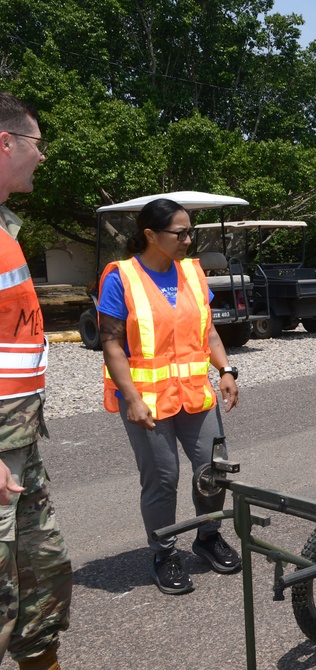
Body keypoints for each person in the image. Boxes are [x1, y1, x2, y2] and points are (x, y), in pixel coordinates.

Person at [98, 198, 242, 596]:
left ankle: (208, 537)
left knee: (214, 468)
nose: (189, 240)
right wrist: (130, 398)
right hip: (147, 400)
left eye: (190, 231)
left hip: (195, 393)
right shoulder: (120, 277)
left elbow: (208, 331)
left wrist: (225, 369)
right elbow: (111, 344)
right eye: (180, 233)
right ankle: (164, 552)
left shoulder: (193, 274)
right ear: (150, 235)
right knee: (163, 478)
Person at [0, 92, 72, 670]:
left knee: (39, 579)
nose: (41, 157)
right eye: (36, 144)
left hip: (17, 441)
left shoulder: (5, 229)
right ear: (5, 143)